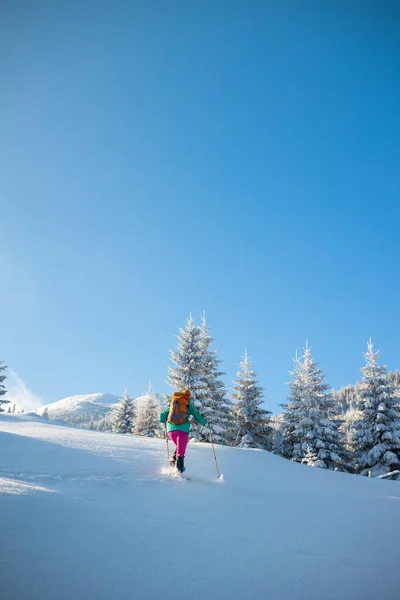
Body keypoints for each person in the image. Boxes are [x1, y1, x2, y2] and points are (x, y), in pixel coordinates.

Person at [159, 389, 207, 473]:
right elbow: (197, 416)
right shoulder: (188, 403)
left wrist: (163, 420)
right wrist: (205, 421)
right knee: (181, 452)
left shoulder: (173, 403)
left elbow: (162, 415)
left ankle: (173, 461)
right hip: (182, 430)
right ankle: (179, 473)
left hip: (171, 431)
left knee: (179, 447)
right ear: (188, 396)